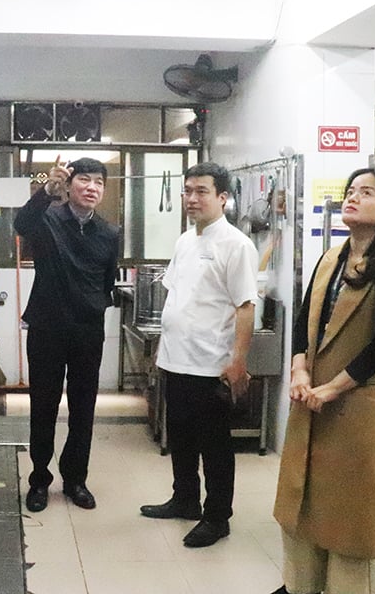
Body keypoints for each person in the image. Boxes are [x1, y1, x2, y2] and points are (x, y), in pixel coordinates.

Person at [271, 166, 375, 594]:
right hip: (313, 399)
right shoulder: (330, 259)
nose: (352, 198)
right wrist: (300, 370)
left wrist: (332, 388)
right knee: (303, 504)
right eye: (351, 191)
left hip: (363, 410)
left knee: (350, 522)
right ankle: (299, 587)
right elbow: (304, 324)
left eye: (367, 193)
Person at [139, 161, 258, 548]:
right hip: (177, 359)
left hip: (211, 364)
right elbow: (179, 297)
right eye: (188, 190)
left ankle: (217, 516)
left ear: (223, 198)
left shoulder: (237, 244)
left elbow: (245, 306)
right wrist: (163, 348)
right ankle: (185, 499)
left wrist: (238, 361)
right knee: (181, 437)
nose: (192, 198)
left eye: (201, 191)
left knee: (215, 445)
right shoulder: (185, 240)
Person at [14, 157, 120, 513]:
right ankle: (39, 479)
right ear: (70, 184)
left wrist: (91, 306)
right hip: (47, 328)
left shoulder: (109, 233)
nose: (92, 187)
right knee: (43, 406)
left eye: (99, 183)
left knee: (83, 408)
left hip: (87, 331)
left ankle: (75, 479)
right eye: (84, 180)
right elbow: (20, 222)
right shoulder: (46, 219)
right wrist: (46, 190)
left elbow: (107, 279)